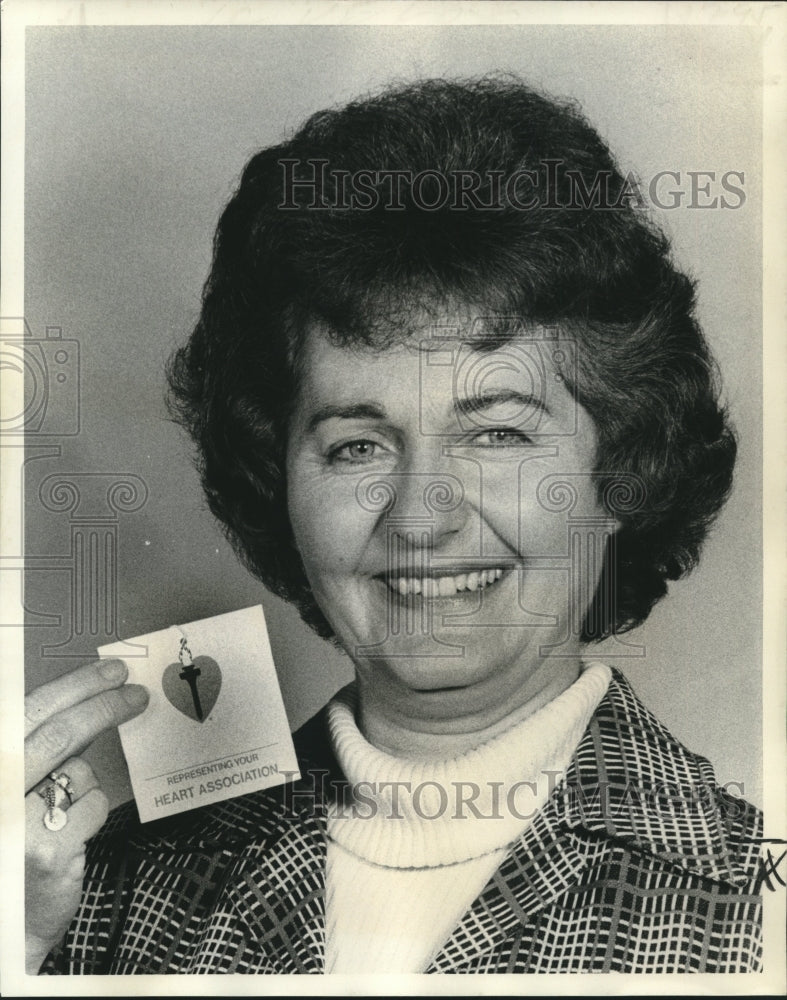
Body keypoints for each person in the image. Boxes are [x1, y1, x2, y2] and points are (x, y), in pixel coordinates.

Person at [25, 76, 762, 975]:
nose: (421, 517)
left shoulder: (754, 901)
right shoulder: (90, 898)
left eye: (497, 432)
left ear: (621, 470)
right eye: (356, 448)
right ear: (279, 485)